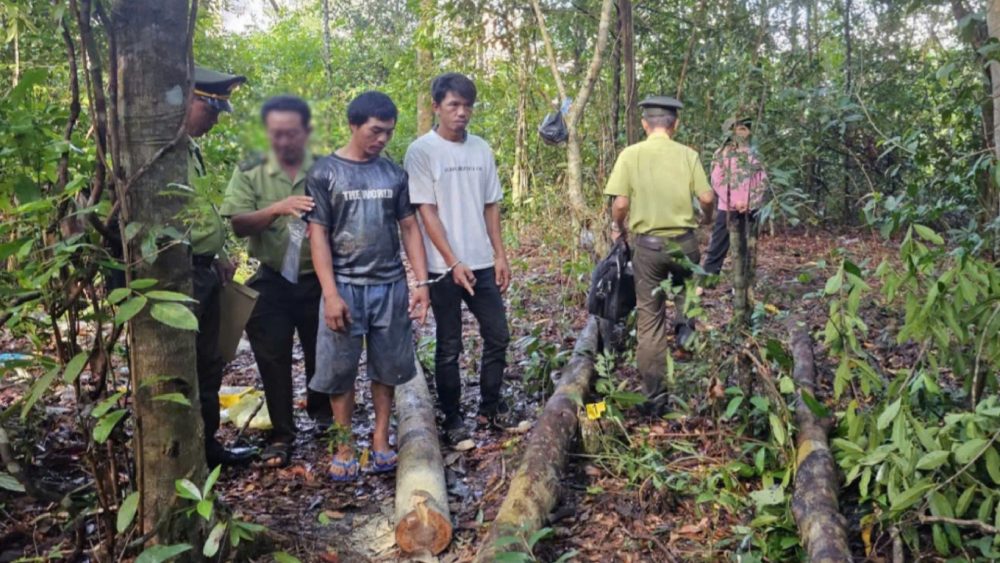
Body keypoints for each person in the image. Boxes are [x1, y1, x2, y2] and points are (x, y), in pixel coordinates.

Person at [305, 91, 430, 481]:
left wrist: (420, 283)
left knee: (388, 366)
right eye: (376, 131)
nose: (382, 140)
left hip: (389, 285)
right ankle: (344, 444)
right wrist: (329, 293)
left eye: (389, 133)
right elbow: (318, 235)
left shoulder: (393, 174)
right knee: (340, 370)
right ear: (354, 125)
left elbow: (409, 226)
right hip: (344, 285)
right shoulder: (325, 173)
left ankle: (380, 438)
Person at [221, 96, 333, 468]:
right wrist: (277, 208)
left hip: (317, 278)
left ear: (306, 131)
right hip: (269, 277)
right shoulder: (252, 169)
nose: (284, 141)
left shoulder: (326, 168)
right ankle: (282, 433)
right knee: (272, 356)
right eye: (276, 134)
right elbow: (237, 223)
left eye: (292, 133)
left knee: (323, 351)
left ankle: (324, 418)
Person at [403, 73, 512, 444]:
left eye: (467, 106)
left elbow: (491, 206)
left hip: (480, 262)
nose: (461, 112)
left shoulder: (481, 148)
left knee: (498, 334)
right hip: (441, 267)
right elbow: (426, 212)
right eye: (453, 105)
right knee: (449, 344)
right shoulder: (422, 151)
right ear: (437, 107)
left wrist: (500, 255)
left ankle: (491, 407)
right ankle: (452, 418)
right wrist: (452, 261)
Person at [604, 95, 715, 414]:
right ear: (674, 125)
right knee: (685, 293)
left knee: (650, 320)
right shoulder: (688, 155)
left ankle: (654, 400)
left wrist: (617, 226)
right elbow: (707, 197)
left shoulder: (631, 155)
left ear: (644, 124)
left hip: (648, 248)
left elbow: (621, 204)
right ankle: (685, 331)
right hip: (684, 243)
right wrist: (704, 220)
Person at [185, 65, 256, 467]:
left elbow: (199, 211)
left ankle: (208, 445)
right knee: (186, 364)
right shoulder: (161, 148)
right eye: (210, 110)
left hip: (204, 270)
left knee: (211, 361)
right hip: (179, 274)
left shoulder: (192, 149)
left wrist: (217, 255)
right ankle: (186, 451)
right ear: (187, 100)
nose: (213, 120)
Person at [701, 118, 768, 278]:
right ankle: (708, 278)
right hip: (727, 207)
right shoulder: (722, 152)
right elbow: (716, 180)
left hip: (751, 207)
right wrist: (733, 201)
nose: (740, 132)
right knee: (718, 244)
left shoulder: (755, 154)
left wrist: (750, 201)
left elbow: (762, 180)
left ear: (749, 132)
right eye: (738, 129)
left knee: (747, 245)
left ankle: (744, 280)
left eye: (744, 129)